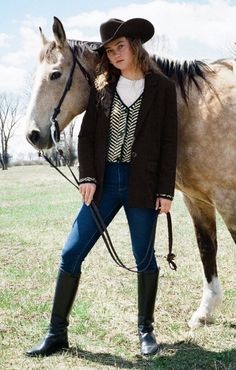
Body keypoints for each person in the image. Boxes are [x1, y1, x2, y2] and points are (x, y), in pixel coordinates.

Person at [26, 17, 178, 357]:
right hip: (105, 183)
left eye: (120, 47)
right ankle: (56, 333)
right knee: (70, 253)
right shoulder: (101, 86)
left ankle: (146, 331)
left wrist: (165, 192)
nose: (115, 54)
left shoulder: (163, 88)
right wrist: (88, 176)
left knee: (144, 258)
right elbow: (87, 135)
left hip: (143, 185)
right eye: (109, 50)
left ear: (135, 46)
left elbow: (170, 143)